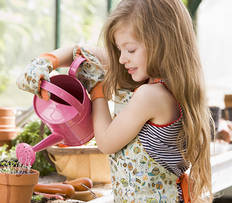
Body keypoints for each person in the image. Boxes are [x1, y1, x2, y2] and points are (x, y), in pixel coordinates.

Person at [16, 0, 212, 202]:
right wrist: (47, 61)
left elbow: (107, 142)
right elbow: (82, 53)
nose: (121, 59)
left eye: (130, 50)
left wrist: (97, 89)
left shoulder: (150, 95)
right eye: (119, 50)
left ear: (161, 42)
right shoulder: (167, 84)